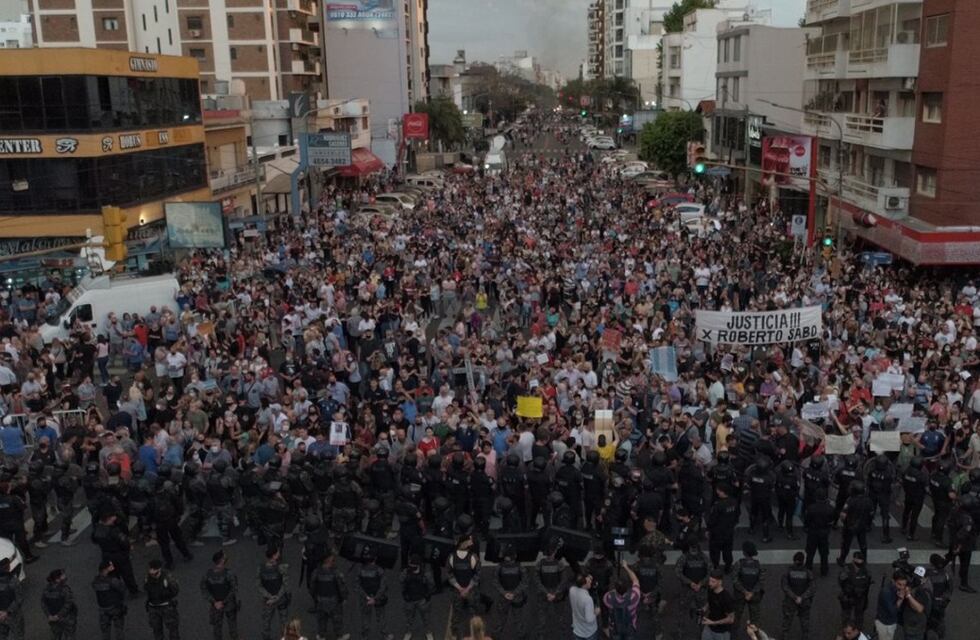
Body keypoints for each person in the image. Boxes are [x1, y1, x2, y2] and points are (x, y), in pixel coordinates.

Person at [448, 534, 481, 640]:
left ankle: (454, 634)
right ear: (464, 543)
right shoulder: (473, 557)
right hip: (471, 590)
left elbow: (449, 574)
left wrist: (459, 588)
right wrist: (468, 588)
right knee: (473, 612)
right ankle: (475, 633)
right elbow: (477, 575)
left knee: (456, 613)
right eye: (469, 540)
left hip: (457, 591)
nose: (471, 542)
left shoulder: (451, 557)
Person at [200, 550, 239, 640]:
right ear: (222, 560)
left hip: (215, 605)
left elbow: (204, 590)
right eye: (224, 556)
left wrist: (215, 602)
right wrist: (224, 601)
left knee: (217, 627)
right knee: (232, 623)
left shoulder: (207, 574)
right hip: (229, 604)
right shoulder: (229, 574)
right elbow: (234, 589)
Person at [492, 545, 529, 640]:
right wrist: (514, 593)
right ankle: (521, 635)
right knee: (518, 618)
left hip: (503, 597)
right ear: (514, 556)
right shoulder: (520, 567)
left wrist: (504, 593)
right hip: (517, 597)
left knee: (501, 618)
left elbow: (495, 582)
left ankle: (496, 635)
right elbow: (524, 582)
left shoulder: (499, 567)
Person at [258, 546, 292, 640]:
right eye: (277, 553)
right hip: (281, 599)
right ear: (274, 555)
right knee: (284, 620)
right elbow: (285, 585)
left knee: (266, 621)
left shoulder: (261, 568)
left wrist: (270, 597)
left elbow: (259, 586)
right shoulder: (282, 567)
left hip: (268, 600)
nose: (279, 554)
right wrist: (277, 597)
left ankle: (266, 637)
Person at [356, 547, 389, 640]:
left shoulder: (360, 570)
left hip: (365, 598)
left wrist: (366, 597)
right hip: (378, 598)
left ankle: (365, 636)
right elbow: (383, 586)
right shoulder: (379, 570)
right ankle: (385, 635)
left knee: (365, 617)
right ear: (375, 558)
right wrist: (375, 598)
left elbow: (357, 586)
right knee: (381, 617)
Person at [602, 561, 641, 640]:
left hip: (615, 626)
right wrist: (626, 567)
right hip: (630, 626)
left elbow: (606, 598)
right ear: (627, 588)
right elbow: (635, 580)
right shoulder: (635, 596)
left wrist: (613, 591)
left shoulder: (608, 597)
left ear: (615, 588)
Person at [781, 551, 815, 640]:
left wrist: (794, 596)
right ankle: (805, 637)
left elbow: (785, 586)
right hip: (804, 601)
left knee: (787, 619)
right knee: (805, 620)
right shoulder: (808, 572)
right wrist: (802, 597)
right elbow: (812, 588)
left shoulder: (788, 571)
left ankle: (785, 636)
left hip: (790, 600)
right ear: (803, 561)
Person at [401, 553, 435, 640]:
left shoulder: (425, 574)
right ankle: (408, 632)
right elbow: (401, 582)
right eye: (410, 565)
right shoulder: (406, 572)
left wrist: (427, 596)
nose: (411, 568)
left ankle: (428, 632)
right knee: (409, 619)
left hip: (422, 599)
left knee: (426, 618)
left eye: (414, 566)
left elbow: (431, 586)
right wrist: (405, 594)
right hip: (410, 599)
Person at [144, 559, 180, 640]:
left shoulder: (168, 577)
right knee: (156, 628)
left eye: (155, 573)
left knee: (172, 627)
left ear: (159, 569)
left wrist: (165, 594)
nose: (153, 575)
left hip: (167, 607)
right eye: (151, 572)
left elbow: (175, 590)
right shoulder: (147, 577)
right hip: (153, 607)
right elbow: (146, 589)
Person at [732, 541, 765, 629]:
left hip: (740, 595)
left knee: (736, 616)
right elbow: (761, 582)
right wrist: (751, 593)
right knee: (755, 618)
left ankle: (734, 633)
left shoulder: (739, 564)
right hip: (754, 595)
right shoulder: (759, 565)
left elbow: (735, 580)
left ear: (744, 552)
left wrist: (745, 592)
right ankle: (754, 634)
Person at [93, 560, 127, 640]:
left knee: (105, 630)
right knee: (119, 628)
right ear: (105, 569)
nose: (113, 567)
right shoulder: (113, 580)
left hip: (103, 609)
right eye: (111, 566)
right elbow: (122, 588)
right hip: (115, 607)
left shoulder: (96, 581)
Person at [837, 551, 872, 629]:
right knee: (846, 615)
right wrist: (849, 590)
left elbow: (867, 585)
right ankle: (846, 629)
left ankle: (858, 630)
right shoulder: (846, 569)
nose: (859, 563)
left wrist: (865, 598)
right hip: (848, 596)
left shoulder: (866, 571)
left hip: (860, 597)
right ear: (853, 560)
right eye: (857, 560)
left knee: (859, 615)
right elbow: (841, 582)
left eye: (861, 561)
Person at [41, 569, 77, 640]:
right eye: (63, 575)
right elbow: (68, 603)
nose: (65, 576)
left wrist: (49, 615)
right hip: (67, 618)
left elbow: (43, 603)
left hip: (53, 618)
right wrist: (58, 615)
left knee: (56, 636)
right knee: (69, 636)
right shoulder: (65, 589)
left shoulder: (46, 589)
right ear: (57, 579)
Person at [896, 568, 931, 640]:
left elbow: (919, 608)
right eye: (915, 577)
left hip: (916, 627)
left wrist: (908, 595)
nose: (916, 580)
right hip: (909, 623)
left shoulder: (924, 591)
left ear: (925, 579)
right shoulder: (913, 586)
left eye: (919, 578)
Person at [701, 568, 736, 640]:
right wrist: (704, 608)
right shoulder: (711, 589)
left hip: (721, 632)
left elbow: (731, 619)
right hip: (709, 626)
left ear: (720, 582)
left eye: (713, 581)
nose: (710, 583)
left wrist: (713, 623)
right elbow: (710, 601)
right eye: (709, 580)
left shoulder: (726, 598)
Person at [569, 572, 599, 640]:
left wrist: (587, 577)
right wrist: (596, 613)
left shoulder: (572, 590)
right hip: (588, 632)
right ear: (584, 585)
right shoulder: (587, 599)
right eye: (588, 581)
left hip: (577, 630)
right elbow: (589, 619)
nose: (590, 581)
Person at [873, 571, 902, 640]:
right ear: (893, 581)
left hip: (891, 622)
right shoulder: (886, 592)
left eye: (904, 584)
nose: (902, 587)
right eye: (899, 584)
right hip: (883, 624)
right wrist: (900, 599)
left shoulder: (897, 590)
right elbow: (892, 611)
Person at [0, 557, 23, 640]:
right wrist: (7, 612)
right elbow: (19, 599)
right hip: (13, 615)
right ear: (8, 567)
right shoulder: (13, 580)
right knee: (18, 635)